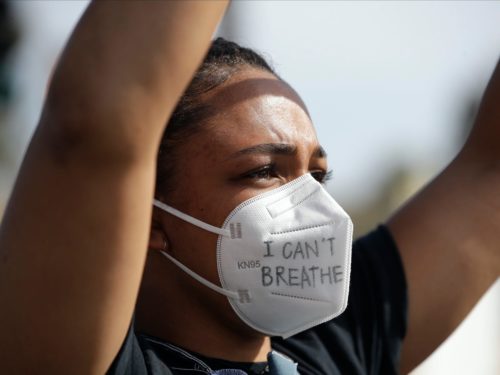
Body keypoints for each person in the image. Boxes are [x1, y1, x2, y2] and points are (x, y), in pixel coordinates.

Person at [0, 2, 498, 374]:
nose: (312, 206)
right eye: (265, 171)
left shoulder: (334, 351)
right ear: (147, 215)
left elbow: (489, 174)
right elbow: (98, 121)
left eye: (317, 176)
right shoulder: (80, 357)